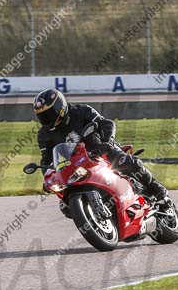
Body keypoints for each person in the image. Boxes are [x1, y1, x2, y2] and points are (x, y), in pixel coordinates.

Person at [33, 89, 169, 216]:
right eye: (42, 116)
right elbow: (46, 160)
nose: (47, 119)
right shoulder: (44, 135)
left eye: (49, 114)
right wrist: (48, 178)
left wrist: (108, 141)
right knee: (66, 206)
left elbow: (106, 124)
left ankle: (157, 189)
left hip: (102, 150)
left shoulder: (81, 111)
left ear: (60, 107)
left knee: (126, 162)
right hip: (76, 164)